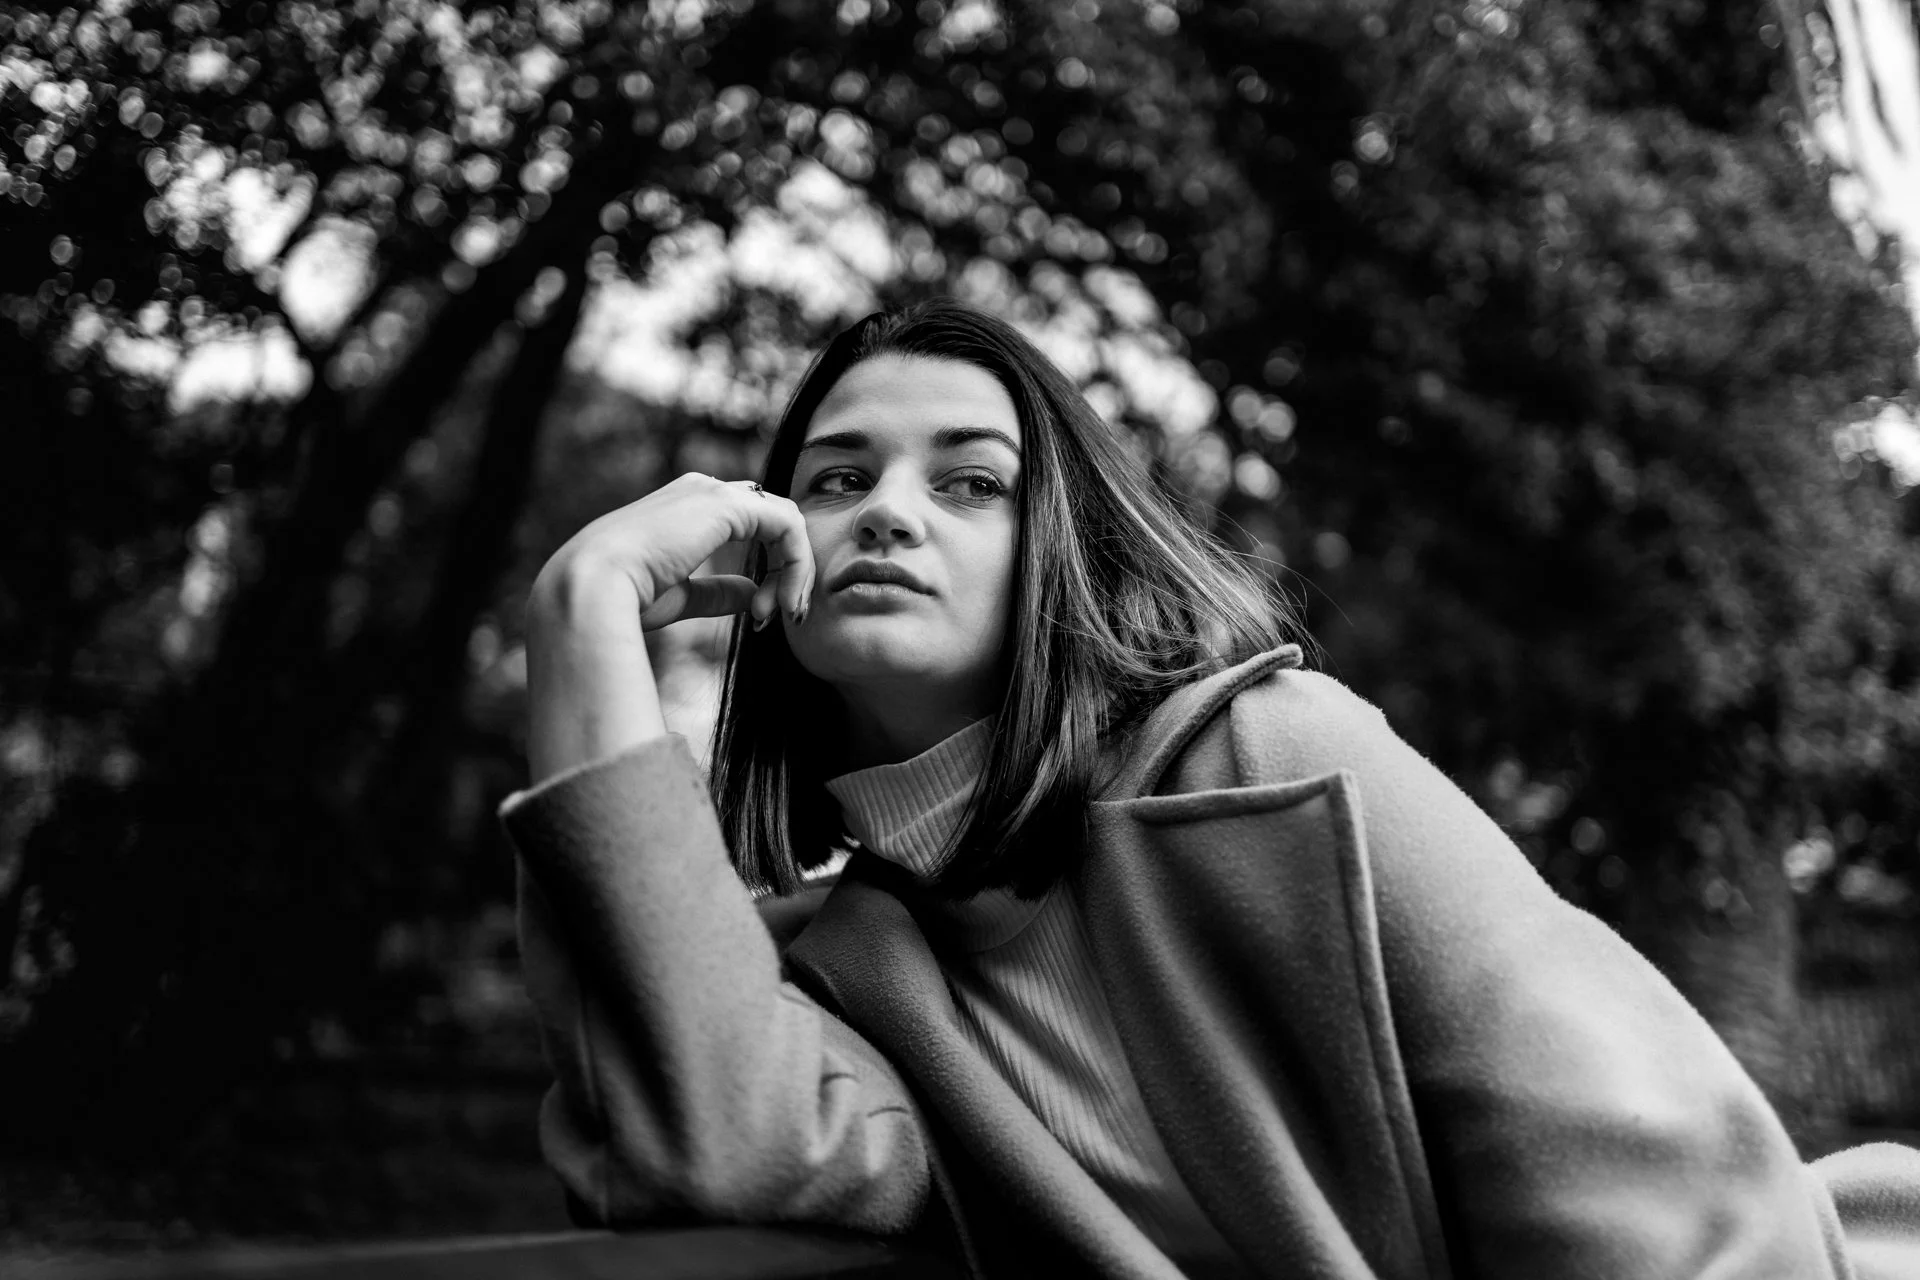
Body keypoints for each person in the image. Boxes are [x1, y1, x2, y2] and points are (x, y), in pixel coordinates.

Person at [502, 298, 1920, 1279]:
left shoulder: (1274, 758)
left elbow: (1663, 1188)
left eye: (972, 483)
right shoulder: (857, 970)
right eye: (834, 478)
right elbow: (703, 1136)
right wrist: (591, 621)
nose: (886, 509)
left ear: (1063, 550)